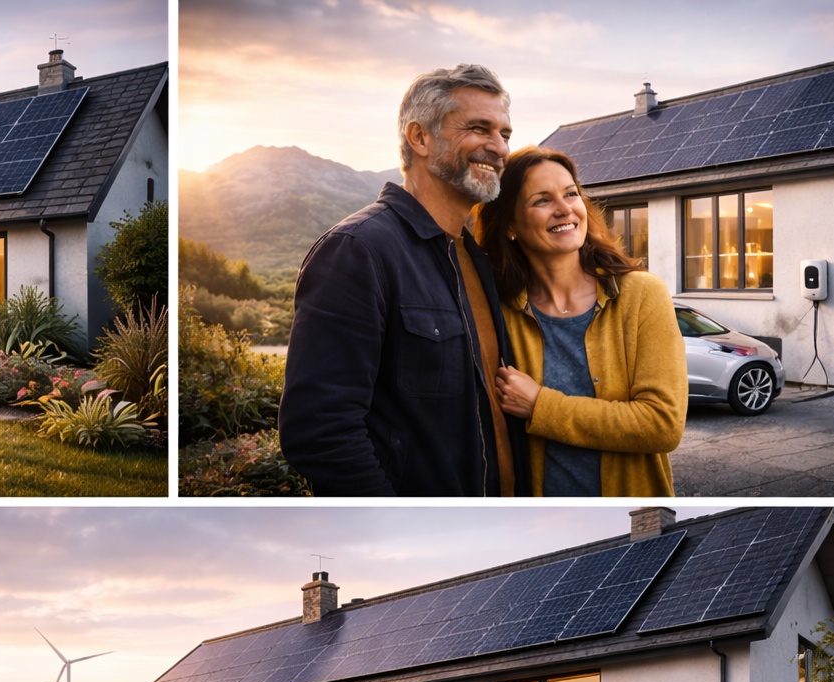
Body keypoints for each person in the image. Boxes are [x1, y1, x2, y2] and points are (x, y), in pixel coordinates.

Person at [278, 65, 530, 496]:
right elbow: (319, 429)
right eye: (479, 128)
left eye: (505, 133)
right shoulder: (359, 251)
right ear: (420, 138)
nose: (499, 147)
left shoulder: (476, 258)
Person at [476, 147, 686, 497]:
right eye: (542, 200)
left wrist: (540, 406)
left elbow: (662, 425)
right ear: (510, 225)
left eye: (571, 194)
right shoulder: (500, 313)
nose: (565, 209)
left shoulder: (641, 294)